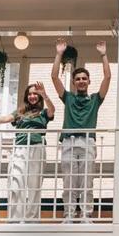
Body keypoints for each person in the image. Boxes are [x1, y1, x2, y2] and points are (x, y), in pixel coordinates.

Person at [50, 39, 110, 220]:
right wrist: (59, 54)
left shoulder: (95, 99)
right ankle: (69, 214)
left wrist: (103, 55)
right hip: (68, 142)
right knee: (69, 181)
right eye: (78, 79)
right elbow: (54, 77)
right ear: (74, 82)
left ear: (89, 81)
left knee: (86, 181)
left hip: (87, 142)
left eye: (84, 78)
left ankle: (86, 215)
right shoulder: (68, 97)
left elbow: (107, 78)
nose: (81, 81)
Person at [0, 82, 52, 222]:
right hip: (20, 147)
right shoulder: (20, 112)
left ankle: (32, 219)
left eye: (35, 94)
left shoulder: (43, 112)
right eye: (30, 94)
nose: (32, 96)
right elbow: (6, 118)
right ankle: (15, 218)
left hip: (37, 147)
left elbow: (52, 110)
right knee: (15, 181)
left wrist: (45, 94)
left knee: (34, 184)